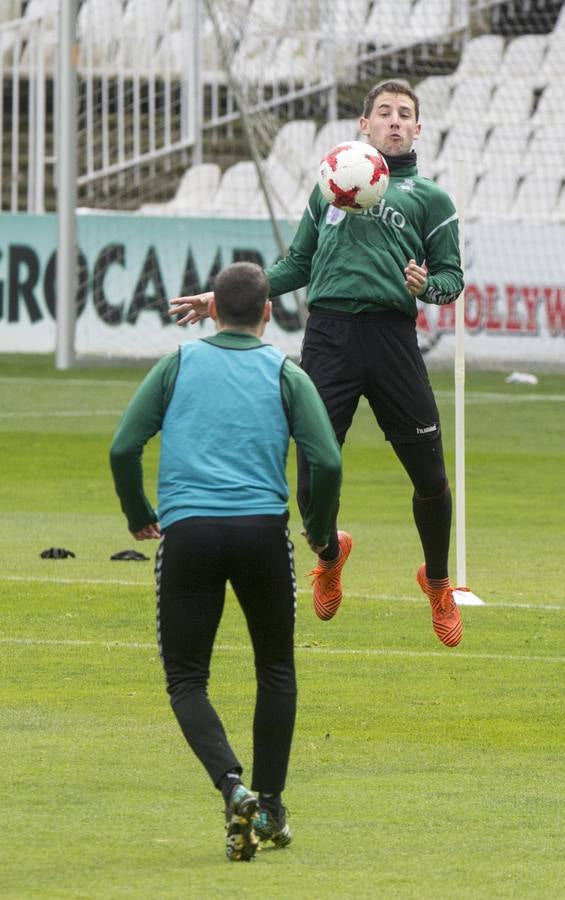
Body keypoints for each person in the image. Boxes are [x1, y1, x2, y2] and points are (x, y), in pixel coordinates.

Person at [170, 79, 464, 648]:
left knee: (429, 474)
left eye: (405, 114)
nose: (394, 122)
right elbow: (296, 263)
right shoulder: (331, 181)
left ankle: (438, 580)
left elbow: (453, 278)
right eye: (384, 113)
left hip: (392, 338)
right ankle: (330, 554)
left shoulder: (432, 198)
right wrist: (227, 297)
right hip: (327, 337)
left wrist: (427, 285)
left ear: (419, 128)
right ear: (364, 124)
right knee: (311, 468)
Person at [110, 261, 342, 862]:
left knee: (188, 680)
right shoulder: (285, 372)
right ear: (270, 312)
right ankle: (270, 804)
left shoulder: (178, 364)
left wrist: (139, 512)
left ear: (213, 308)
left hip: (187, 533)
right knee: (276, 670)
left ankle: (231, 787)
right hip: (263, 535)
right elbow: (329, 461)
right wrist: (320, 533)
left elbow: (123, 446)